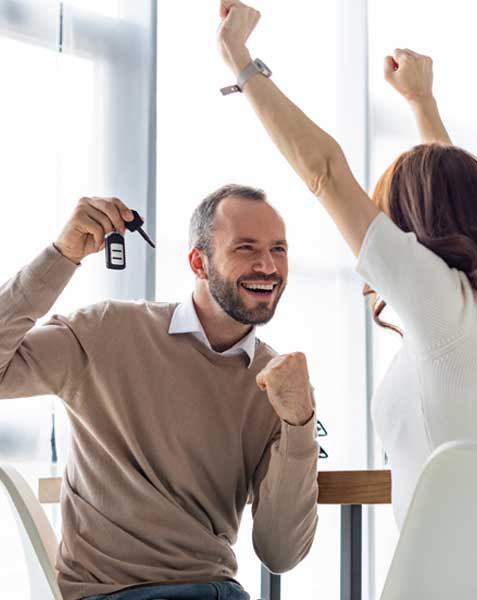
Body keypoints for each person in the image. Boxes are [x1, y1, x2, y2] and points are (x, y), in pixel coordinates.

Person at [216, 1, 477, 526]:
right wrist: (421, 102)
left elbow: (326, 173)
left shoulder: (444, 310)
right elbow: (452, 187)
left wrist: (239, 61)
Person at [0, 186, 319, 600]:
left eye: (279, 249)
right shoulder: (106, 331)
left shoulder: (279, 384)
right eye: (246, 248)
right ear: (198, 263)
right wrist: (62, 256)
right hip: (112, 593)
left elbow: (281, 554)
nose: (268, 265)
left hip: (217, 591)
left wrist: (299, 423)